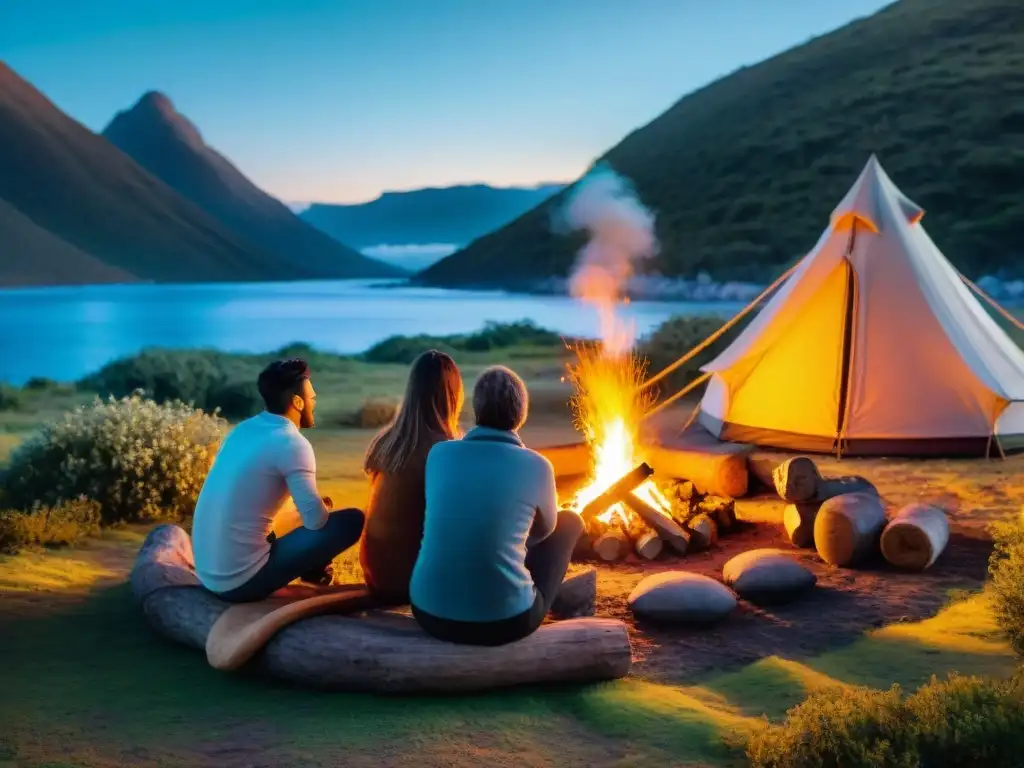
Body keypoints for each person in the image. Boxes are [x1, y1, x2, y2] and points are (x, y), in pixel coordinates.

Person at [410, 365, 584, 645]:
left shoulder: (440, 454)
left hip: (428, 612)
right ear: (521, 413)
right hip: (504, 622)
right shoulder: (537, 465)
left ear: (476, 408)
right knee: (570, 521)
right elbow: (546, 531)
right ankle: (514, 590)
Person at [191, 358, 364, 603]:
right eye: (312, 399)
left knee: (311, 507)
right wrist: (321, 510)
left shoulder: (243, 430)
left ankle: (315, 573)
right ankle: (315, 576)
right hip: (240, 582)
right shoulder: (292, 442)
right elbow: (315, 522)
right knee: (351, 520)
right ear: (297, 402)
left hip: (208, 574)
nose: (314, 404)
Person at [360, 350, 464, 604]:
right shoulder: (445, 451)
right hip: (411, 583)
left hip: (376, 575)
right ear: (453, 394)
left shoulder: (387, 440)